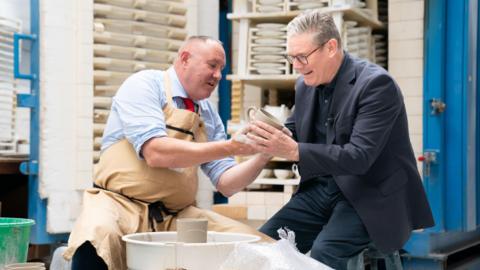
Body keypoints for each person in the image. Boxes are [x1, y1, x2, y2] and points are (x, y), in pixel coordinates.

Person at [64, 36, 273, 270]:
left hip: (176, 215)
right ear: (185, 59)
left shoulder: (208, 113)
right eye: (212, 65)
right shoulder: (145, 85)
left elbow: (227, 184)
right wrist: (231, 147)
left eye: (221, 69)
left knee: (258, 247)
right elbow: (155, 152)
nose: (218, 76)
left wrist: (264, 154)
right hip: (118, 204)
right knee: (99, 234)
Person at [246, 11, 434, 270]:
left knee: (325, 252)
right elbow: (295, 127)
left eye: (302, 57)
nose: (296, 66)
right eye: (291, 58)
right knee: (265, 245)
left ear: (331, 47)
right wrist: (266, 132)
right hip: (321, 189)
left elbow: (359, 157)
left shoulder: (376, 85)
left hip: (369, 192)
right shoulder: (305, 84)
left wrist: (295, 150)